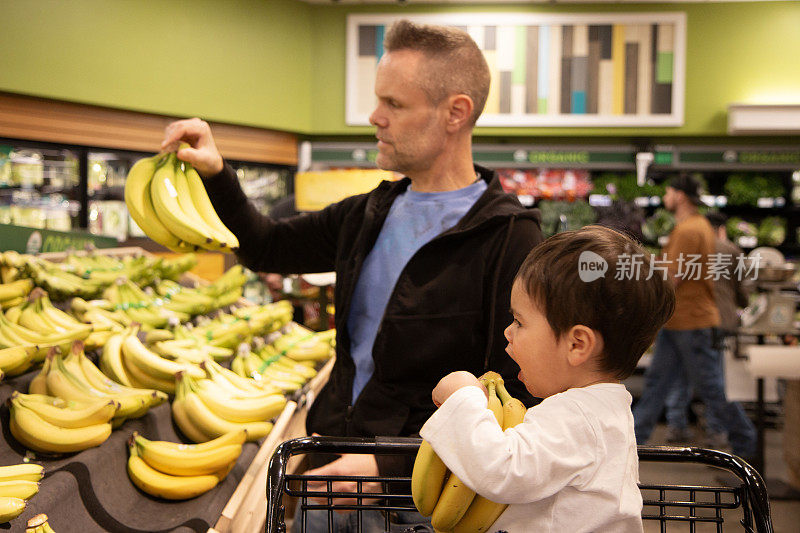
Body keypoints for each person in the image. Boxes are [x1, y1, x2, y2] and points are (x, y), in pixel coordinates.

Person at [161, 19, 543, 531]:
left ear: (456, 112)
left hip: (421, 499)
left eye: (395, 104)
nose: (374, 116)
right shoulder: (368, 213)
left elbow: (516, 391)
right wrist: (215, 171)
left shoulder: (509, 237)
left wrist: (391, 465)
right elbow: (266, 244)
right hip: (329, 467)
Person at [421, 225, 675, 532]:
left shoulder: (577, 416)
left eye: (519, 321)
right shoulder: (603, 408)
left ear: (577, 344)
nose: (508, 332)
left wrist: (462, 394)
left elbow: (501, 470)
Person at [633, 175, 757, 464]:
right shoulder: (698, 226)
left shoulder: (689, 229)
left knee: (711, 389)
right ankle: (632, 440)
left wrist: (645, 304)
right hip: (680, 322)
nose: (665, 196)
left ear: (681, 196)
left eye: (668, 191)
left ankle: (747, 443)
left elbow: (672, 277)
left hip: (693, 322)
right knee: (657, 384)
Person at [662, 211, 750, 446]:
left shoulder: (692, 247)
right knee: (714, 377)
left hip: (685, 319)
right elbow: (743, 289)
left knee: (680, 376)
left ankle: (676, 424)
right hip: (717, 320)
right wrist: (743, 303)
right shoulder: (730, 250)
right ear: (721, 229)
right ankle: (716, 429)